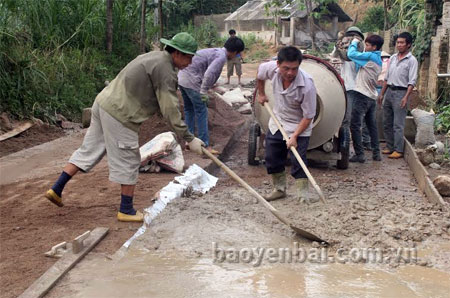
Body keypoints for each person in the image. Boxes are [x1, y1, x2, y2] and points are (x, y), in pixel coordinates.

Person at [44, 32, 205, 222]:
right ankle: (126, 210)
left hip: (103, 103)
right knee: (129, 158)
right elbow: (170, 109)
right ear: (177, 53)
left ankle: (56, 189)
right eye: (189, 56)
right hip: (120, 113)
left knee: (89, 150)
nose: (191, 61)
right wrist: (189, 138)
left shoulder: (152, 57)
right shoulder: (166, 70)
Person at [257, 46, 317, 203]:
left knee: (298, 160)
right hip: (278, 120)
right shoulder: (270, 69)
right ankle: (279, 189)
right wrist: (261, 93)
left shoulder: (307, 85)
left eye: (294, 69)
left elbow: (309, 116)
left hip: (300, 125)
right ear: (278, 64)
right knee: (272, 156)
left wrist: (294, 136)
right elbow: (260, 75)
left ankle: (303, 193)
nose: (290, 73)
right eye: (286, 68)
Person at [178, 36, 245, 154]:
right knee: (201, 111)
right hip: (191, 80)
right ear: (235, 52)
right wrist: (203, 91)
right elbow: (209, 74)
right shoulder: (221, 57)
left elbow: (207, 72)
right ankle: (204, 145)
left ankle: (188, 142)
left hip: (182, 78)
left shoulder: (214, 51)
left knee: (189, 110)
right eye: (238, 54)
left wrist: (212, 85)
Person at [378, 32, 418, 159]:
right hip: (389, 90)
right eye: (398, 43)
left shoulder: (412, 61)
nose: (399, 45)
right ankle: (389, 146)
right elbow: (386, 77)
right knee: (386, 121)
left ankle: (398, 149)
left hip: (401, 92)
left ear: (408, 45)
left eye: (402, 43)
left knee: (398, 124)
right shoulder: (394, 58)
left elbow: (412, 81)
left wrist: (406, 97)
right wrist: (382, 94)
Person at [347, 34, 384, 163]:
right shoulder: (379, 59)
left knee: (355, 125)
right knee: (371, 126)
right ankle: (376, 153)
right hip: (371, 96)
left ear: (374, 47)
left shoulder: (369, 56)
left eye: (368, 45)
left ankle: (359, 154)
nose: (366, 47)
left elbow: (351, 54)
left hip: (361, 95)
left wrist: (354, 42)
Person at [331, 26, 364, 154]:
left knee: (350, 121)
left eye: (354, 36)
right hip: (343, 88)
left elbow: (348, 57)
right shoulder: (345, 49)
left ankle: (349, 149)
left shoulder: (357, 52)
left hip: (353, 89)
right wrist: (338, 45)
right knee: (342, 118)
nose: (350, 39)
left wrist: (350, 45)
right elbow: (335, 55)